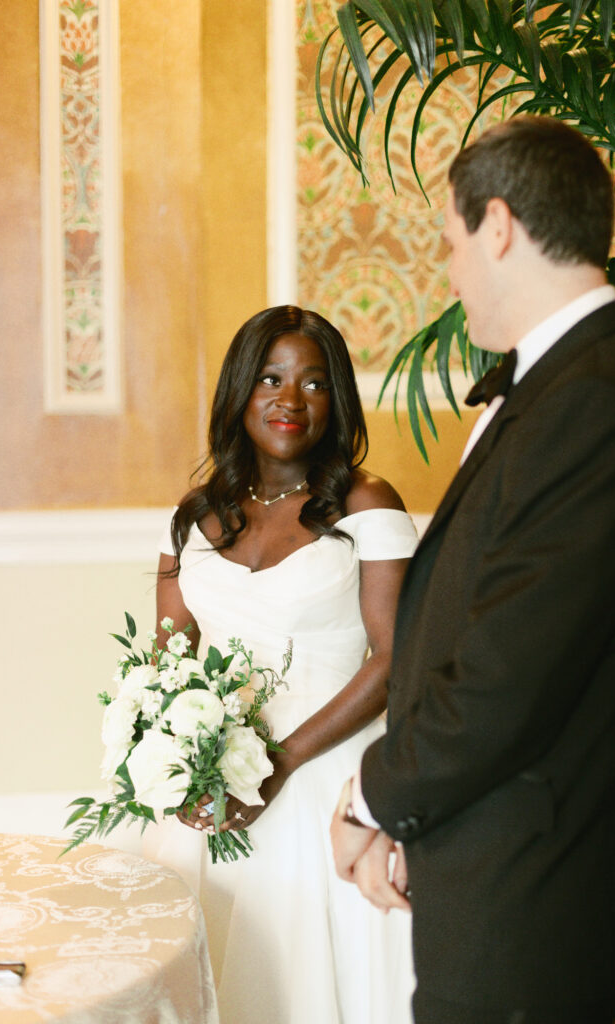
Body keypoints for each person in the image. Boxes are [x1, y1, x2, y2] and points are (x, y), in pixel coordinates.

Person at [331, 115, 615, 1024]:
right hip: (498, 875)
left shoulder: (593, 404)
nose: (449, 272)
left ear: (496, 226)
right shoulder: (573, 387)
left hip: (529, 901)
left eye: (449, 243)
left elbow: (508, 674)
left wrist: (373, 795)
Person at [144, 305, 417, 1024]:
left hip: (324, 768)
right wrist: (170, 759)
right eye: (270, 378)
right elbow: (167, 660)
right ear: (240, 391)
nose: (289, 400)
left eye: (313, 382)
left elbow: (393, 659)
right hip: (214, 780)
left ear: (338, 401)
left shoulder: (366, 504)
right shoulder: (194, 516)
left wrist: (278, 761)